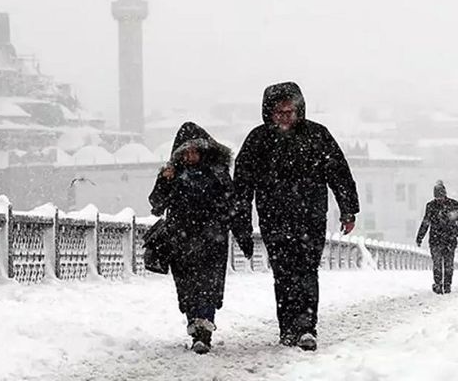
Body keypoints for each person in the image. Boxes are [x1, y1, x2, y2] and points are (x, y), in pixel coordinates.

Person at [233, 82, 359, 351]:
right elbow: (242, 185)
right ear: (270, 113)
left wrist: (348, 209)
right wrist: (241, 221)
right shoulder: (258, 140)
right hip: (274, 218)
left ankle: (306, 327)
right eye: (279, 112)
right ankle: (287, 327)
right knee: (283, 272)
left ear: (299, 110)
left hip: (310, 217)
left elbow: (339, 172)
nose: (285, 117)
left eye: (290, 111)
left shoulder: (317, 135)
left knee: (306, 270)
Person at [149, 122, 253, 354]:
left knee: (208, 286)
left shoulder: (218, 175)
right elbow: (156, 205)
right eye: (186, 152)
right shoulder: (173, 175)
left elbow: (233, 207)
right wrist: (164, 181)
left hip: (211, 241)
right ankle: (195, 324)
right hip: (181, 241)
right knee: (187, 288)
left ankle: (203, 330)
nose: (191, 156)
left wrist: (243, 235)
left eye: (195, 150)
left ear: (205, 150)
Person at [416, 180, 458, 294]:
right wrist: (420, 237)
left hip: (445, 239)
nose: (439, 199)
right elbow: (426, 222)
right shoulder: (438, 206)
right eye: (437, 196)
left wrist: (455, 233)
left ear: (444, 194)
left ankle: (446, 285)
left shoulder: (450, 205)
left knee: (447, 264)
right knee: (438, 263)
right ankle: (439, 284)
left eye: (440, 196)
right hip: (439, 240)